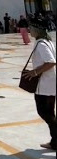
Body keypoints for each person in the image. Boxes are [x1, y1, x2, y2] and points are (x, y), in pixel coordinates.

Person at [23, 22, 56, 150]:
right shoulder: (48, 42)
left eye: (31, 28)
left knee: (44, 112)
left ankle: (56, 140)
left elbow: (51, 62)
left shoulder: (41, 44)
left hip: (45, 84)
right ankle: (54, 142)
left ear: (37, 30)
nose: (29, 30)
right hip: (49, 83)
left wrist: (35, 72)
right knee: (49, 113)